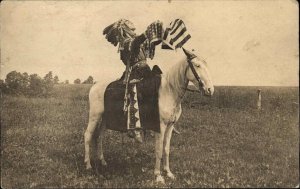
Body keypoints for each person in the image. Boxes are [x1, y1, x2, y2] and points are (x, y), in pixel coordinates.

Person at [103, 19, 162, 142]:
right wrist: (146, 33)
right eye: (131, 28)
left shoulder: (135, 41)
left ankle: (153, 122)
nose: (133, 30)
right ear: (124, 30)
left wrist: (158, 33)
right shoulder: (125, 43)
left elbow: (149, 44)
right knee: (135, 91)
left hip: (146, 70)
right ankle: (134, 128)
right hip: (134, 72)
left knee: (158, 86)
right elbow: (136, 43)